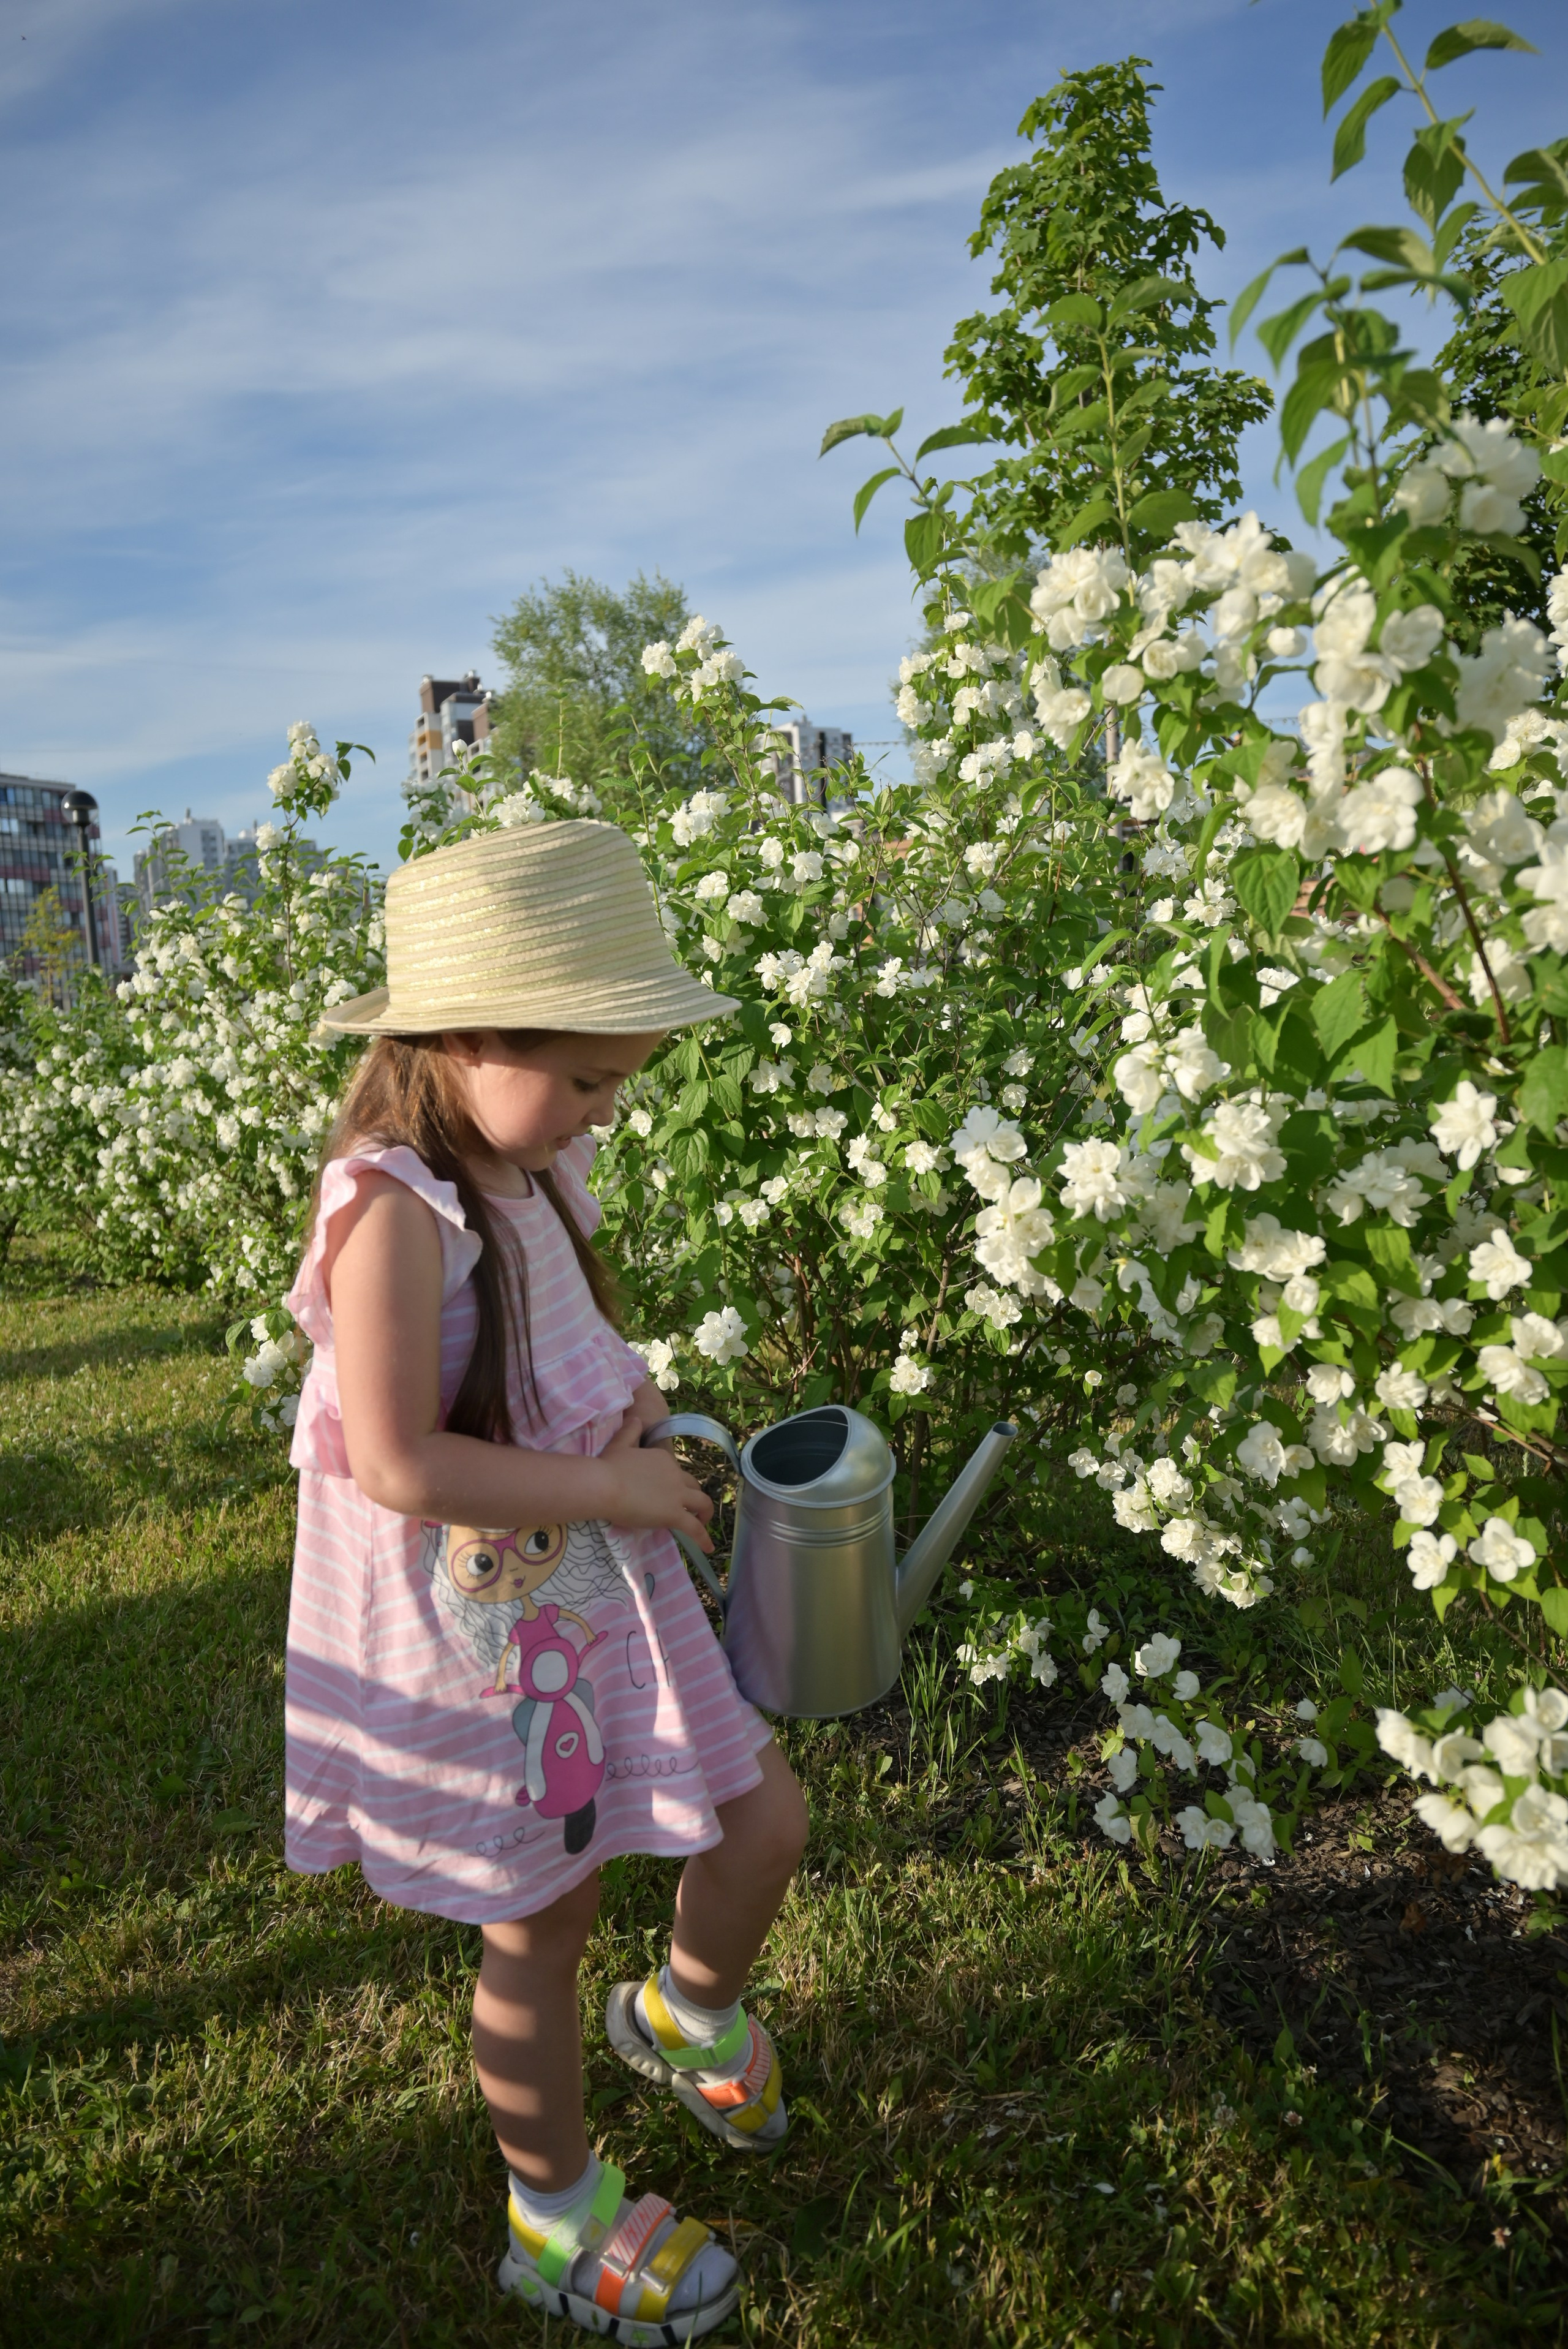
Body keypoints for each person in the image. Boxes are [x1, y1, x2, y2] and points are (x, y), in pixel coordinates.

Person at [283, 819, 809, 2343]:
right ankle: (550, 2206)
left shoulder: (524, 1161)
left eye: (614, 1084)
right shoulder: (392, 1207)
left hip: (589, 1583)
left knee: (764, 1815)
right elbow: (398, 1461)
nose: (599, 1114)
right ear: (459, 1038)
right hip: (492, 1630)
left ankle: (687, 2009)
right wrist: (607, 1483)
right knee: (544, 1913)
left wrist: (630, 1415)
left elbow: (558, 1349)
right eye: (583, 1079)